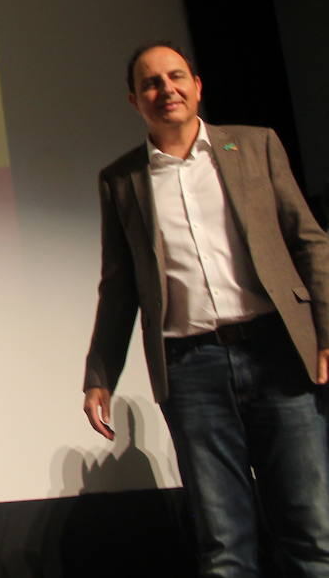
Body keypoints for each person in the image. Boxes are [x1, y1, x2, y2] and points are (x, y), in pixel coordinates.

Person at [82, 41, 329, 576]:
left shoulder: (255, 146)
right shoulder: (121, 180)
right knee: (222, 546)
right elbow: (119, 288)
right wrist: (100, 372)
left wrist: (326, 333)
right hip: (191, 369)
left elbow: (310, 242)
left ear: (197, 86)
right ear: (134, 101)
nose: (165, 88)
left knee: (313, 532)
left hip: (278, 353)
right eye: (151, 83)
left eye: (175, 77)